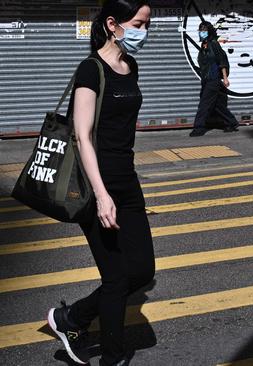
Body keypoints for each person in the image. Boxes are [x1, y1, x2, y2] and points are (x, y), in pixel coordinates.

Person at [46, 1, 155, 365]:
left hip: (128, 180)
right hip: (97, 187)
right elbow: (82, 135)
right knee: (116, 278)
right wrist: (103, 195)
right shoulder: (90, 69)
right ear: (113, 24)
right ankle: (112, 356)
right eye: (139, 23)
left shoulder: (131, 66)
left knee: (141, 271)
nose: (144, 31)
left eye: (147, 24)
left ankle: (71, 318)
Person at [189, 21, 239, 136]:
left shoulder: (214, 44)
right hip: (206, 80)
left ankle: (199, 127)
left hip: (214, 79)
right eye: (200, 30)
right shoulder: (203, 45)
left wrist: (225, 78)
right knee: (217, 105)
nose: (202, 32)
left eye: (204, 30)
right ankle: (231, 122)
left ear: (209, 32)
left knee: (204, 104)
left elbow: (222, 61)